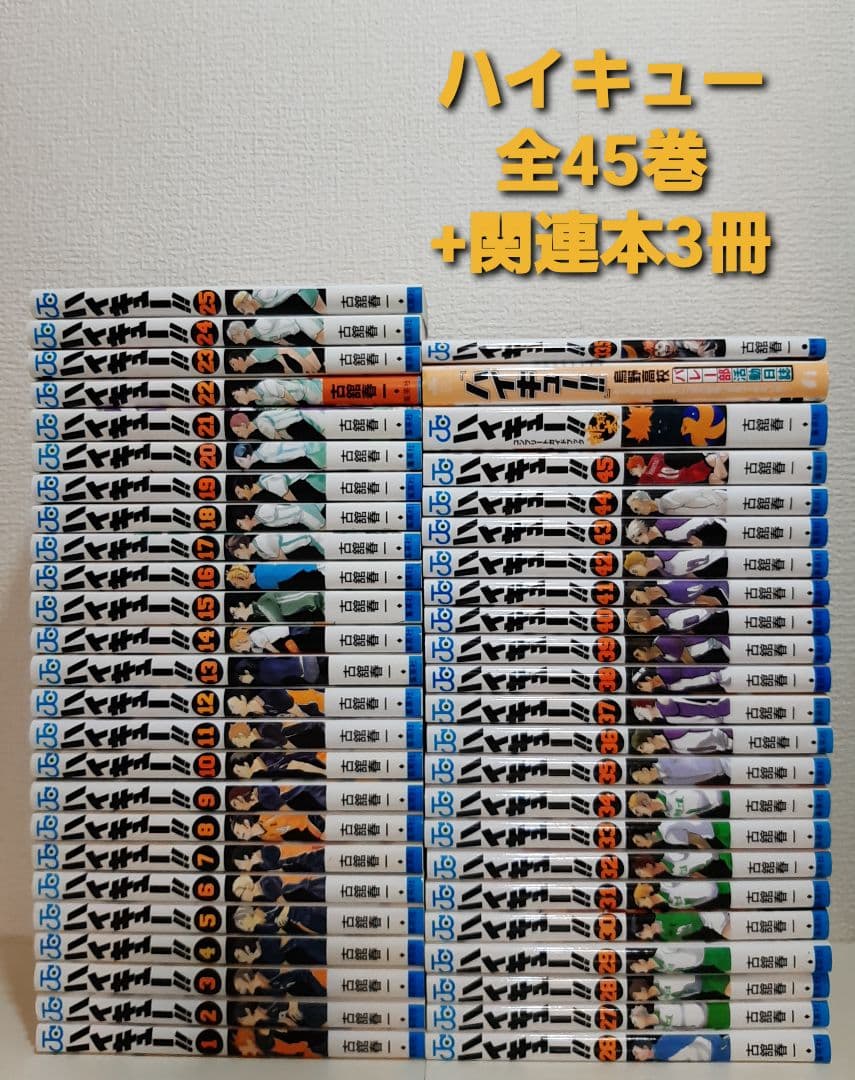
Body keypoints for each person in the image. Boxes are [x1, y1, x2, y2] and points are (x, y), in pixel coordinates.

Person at [226, 316, 325, 346]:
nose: (235, 342)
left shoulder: (260, 324)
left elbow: (282, 315)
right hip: (301, 325)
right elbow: (278, 338)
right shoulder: (260, 336)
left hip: (302, 321)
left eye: (234, 338)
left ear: (239, 333)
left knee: (322, 339)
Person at [626, 488, 727, 516]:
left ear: (644, 500)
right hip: (723, 511)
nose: (638, 513)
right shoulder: (665, 511)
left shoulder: (668, 498)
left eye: (636, 508)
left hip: (726, 501)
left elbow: (701, 490)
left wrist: (720, 504)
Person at [231, 378, 323, 407]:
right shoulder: (259, 403)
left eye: (236, 396)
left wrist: (300, 409)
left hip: (307, 389)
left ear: (242, 389)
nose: (237, 400)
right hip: (304, 398)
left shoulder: (265, 385)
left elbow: (287, 397)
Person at [235, 502, 326, 532]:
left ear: (246, 517)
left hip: (305, 512)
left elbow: (294, 509)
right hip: (304, 516)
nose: (242, 528)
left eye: (240, 524)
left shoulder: (262, 512)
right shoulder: (264, 522)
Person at [232, 287, 326, 315]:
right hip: (301, 290)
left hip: (303, 288)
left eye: (243, 310)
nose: (245, 314)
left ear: (245, 301)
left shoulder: (263, 295)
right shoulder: (261, 303)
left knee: (323, 311)